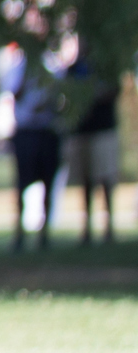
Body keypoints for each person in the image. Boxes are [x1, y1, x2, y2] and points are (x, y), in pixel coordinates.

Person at [6, 45, 68, 251]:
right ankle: (19, 233)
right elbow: (14, 92)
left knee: (48, 182)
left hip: (46, 129)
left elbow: (61, 95)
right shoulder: (18, 66)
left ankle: (44, 233)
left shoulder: (53, 65)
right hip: (25, 131)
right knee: (22, 183)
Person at [63, 45, 118, 244]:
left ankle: (109, 226)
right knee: (85, 180)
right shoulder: (73, 68)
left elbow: (113, 90)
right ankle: (87, 227)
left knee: (105, 178)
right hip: (82, 130)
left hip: (103, 129)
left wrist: (91, 93)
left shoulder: (105, 66)